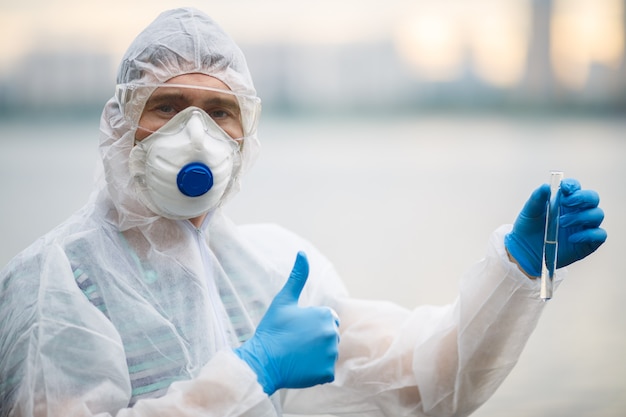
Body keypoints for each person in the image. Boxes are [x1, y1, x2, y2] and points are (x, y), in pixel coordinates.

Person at [0, 7, 607, 417]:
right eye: (168, 106)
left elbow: (428, 382)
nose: (195, 132)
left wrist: (516, 271)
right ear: (121, 123)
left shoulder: (271, 272)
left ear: (245, 137)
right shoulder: (56, 284)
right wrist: (249, 373)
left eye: (219, 112)